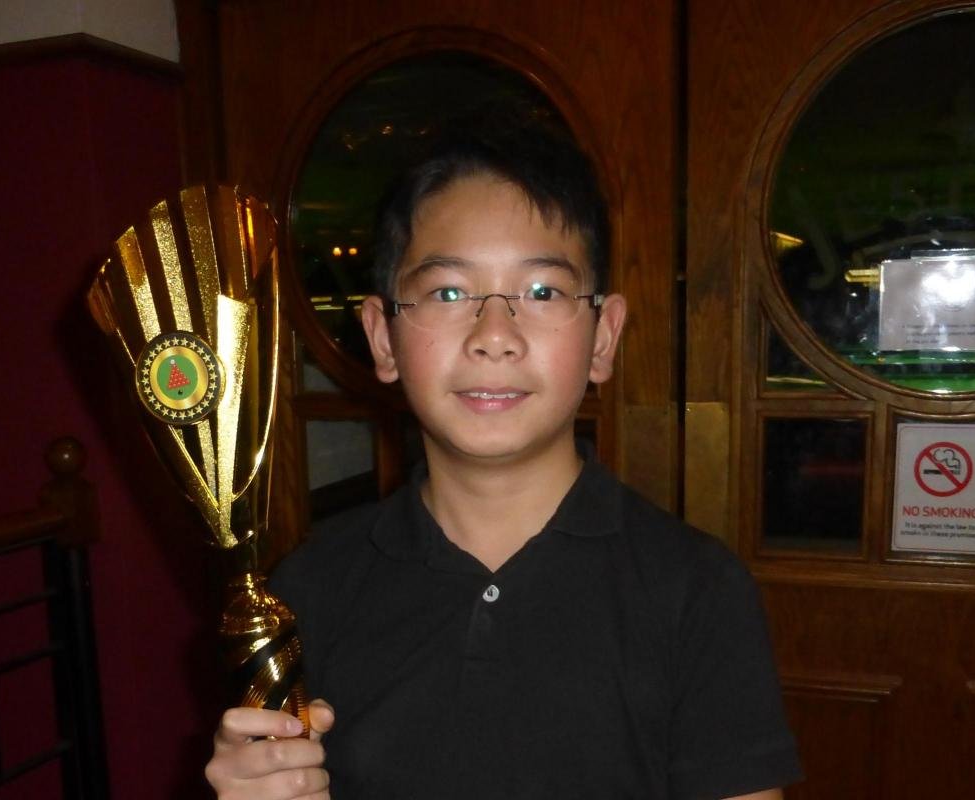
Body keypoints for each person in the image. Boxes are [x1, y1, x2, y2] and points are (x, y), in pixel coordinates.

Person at [205, 115, 802, 799]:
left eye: (542, 292)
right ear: (382, 337)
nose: (495, 335)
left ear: (603, 338)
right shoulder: (308, 589)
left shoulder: (695, 592)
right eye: (449, 292)